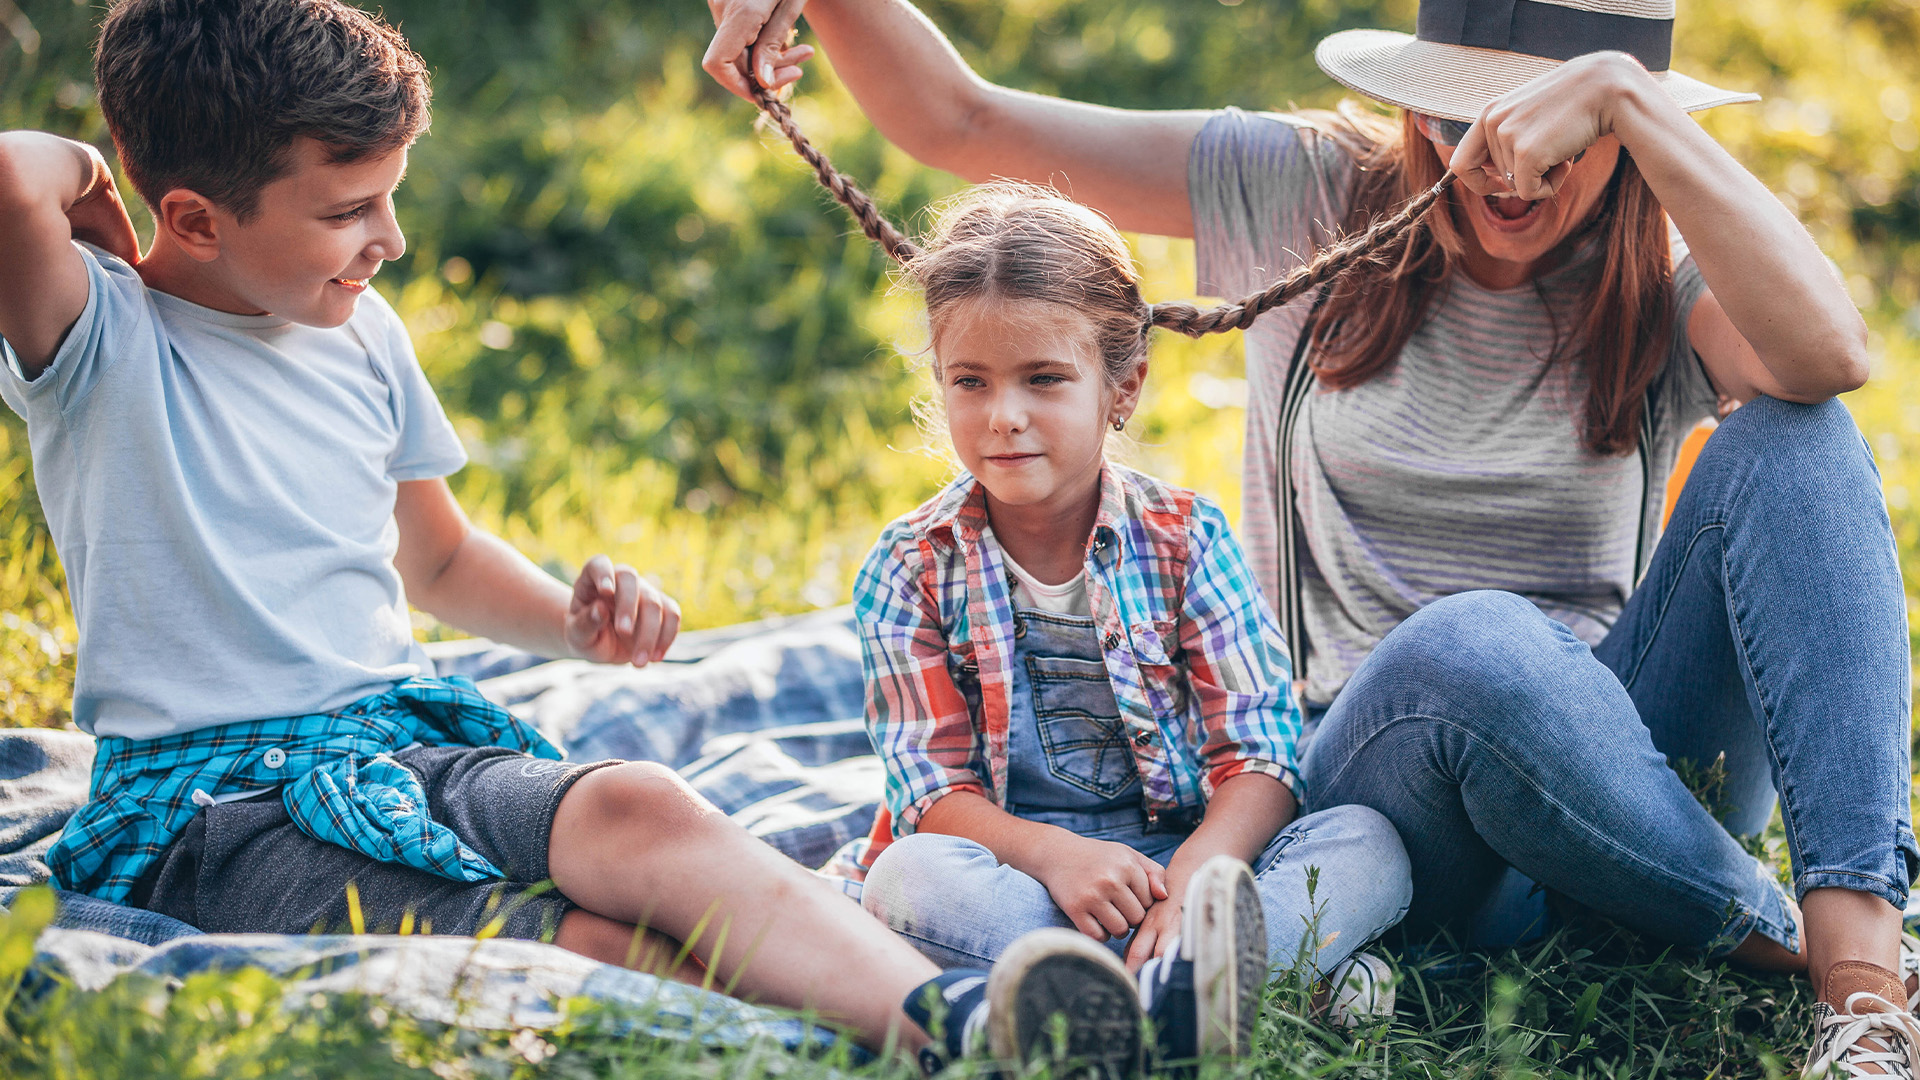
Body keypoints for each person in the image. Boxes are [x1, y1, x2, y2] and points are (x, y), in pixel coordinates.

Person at [703, 0, 1920, 1072]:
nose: (1507, 174)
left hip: (1624, 777)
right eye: (1460, 123)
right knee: (1471, 647)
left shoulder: (1658, 271)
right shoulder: (1302, 191)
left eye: (1556, 134)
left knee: (1803, 436)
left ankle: (1864, 993)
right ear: (1414, 105)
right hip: (1388, 793)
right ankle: (1781, 935)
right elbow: (962, 122)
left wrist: (1628, 104)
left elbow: (1834, 357)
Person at [0, 0, 1167, 1072]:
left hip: (393, 745)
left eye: (392, 197)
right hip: (210, 814)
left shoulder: (360, 339)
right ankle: (943, 1044)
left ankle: (969, 1020)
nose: (392, 240)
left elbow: (440, 559)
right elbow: (13, 177)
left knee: (639, 805)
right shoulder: (104, 346)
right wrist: (101, 181)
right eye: (350, 210)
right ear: (196, 217)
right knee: (575, 940)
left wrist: (573, 620)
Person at [752, 123, 1413, 1045]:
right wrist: (1057, 856)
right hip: (1019, 872)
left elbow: (1261, 757)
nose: (1004, 416)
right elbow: (928, 793)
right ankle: (1219, 988)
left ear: (1123, 386)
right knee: (909, 877)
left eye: (1044, 379)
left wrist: (1190, 885)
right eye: (970, 381)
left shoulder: (1185, 541)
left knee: (1367, 845)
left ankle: (1157, 980)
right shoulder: (910, 567)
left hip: (1193, 860)